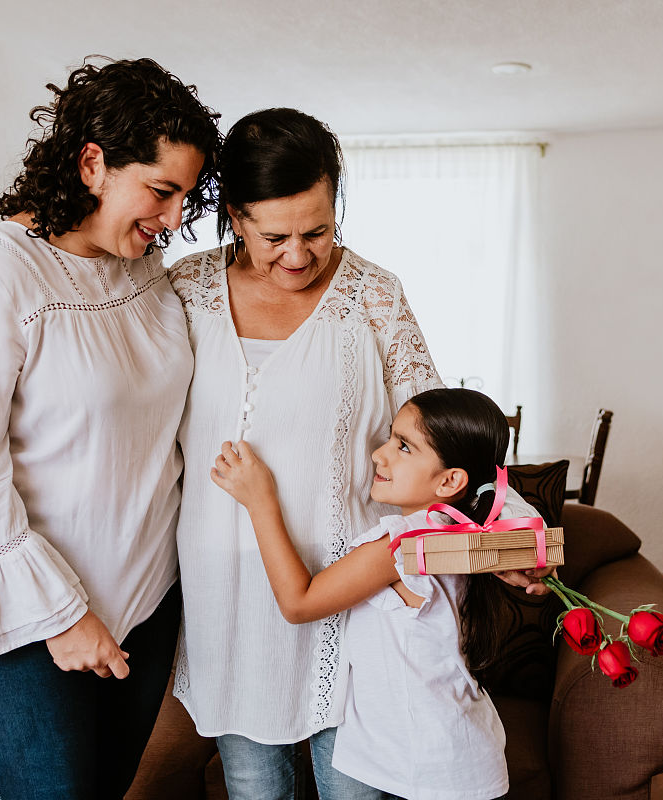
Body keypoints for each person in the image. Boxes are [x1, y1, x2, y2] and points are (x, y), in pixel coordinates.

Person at [169, 108, 546, 799]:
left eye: (317, 230)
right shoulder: (183, 291)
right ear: (234, 216)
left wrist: (510, 539)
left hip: (351, 601)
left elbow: (446, 437)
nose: (297, 255)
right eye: (273, 235)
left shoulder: (374, 295)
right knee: (254, 789)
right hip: (228, 600)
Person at [0, 57, 220, 799]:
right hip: (26, 613)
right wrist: (64, 615)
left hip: (144, 606)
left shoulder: (145, 271)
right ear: (93, 162)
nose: (173, 219)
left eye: (185, 195)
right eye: (160, 190)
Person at [212, 388, 529, 799]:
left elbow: (299, 602)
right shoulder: (470, 535)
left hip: (433, 771)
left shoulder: (400, 545)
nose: (379, 454)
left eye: (403, 446)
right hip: (462, 758)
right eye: (390, 438)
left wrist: (260, 501)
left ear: (451, 480)